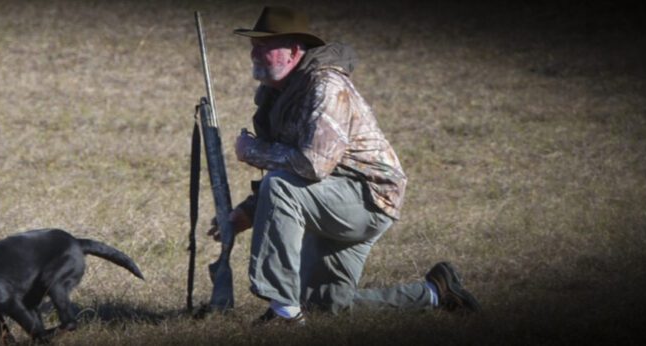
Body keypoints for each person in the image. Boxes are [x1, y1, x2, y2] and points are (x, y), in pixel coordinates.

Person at [205, 6, 480, 325]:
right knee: (325, 306)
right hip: (330, 199)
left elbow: (311, 165)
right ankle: (436, 292)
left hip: (368, 198)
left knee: (280, 188)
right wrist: (248, 212)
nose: (254, 52)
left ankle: (284, 312)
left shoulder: (326, 86)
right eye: (254, 44)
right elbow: (290, 172)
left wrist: (252, 150)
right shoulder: (274, 97)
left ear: (294, 51)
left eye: (265, 45)